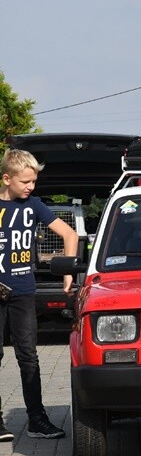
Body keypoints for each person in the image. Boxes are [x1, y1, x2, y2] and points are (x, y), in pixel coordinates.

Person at [0, 149, 79, 441]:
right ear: (7, 178)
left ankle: (37, 419)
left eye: (34, 181)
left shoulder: (33, 206)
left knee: (28, 357)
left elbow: (69, 234)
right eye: (25, 182)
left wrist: (68, 271)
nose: (31, 187)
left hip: (23, 291)